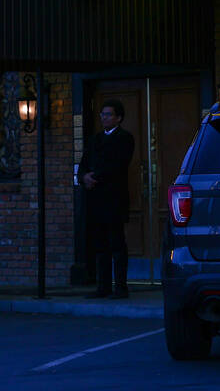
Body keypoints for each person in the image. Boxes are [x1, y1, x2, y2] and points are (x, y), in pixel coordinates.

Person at [77, 100, 135, 299]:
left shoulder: (125, 138)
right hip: (95, 200)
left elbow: (118, 165)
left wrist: (95, 177)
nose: (104, 118)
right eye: (102, 114)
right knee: (100, 245)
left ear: (118, 117)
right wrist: (83, 177)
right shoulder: (94, 140)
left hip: (114, 198)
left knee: (117, 244)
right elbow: (84, 163)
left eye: (109, 114)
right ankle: (103, 286)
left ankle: (120, 286)